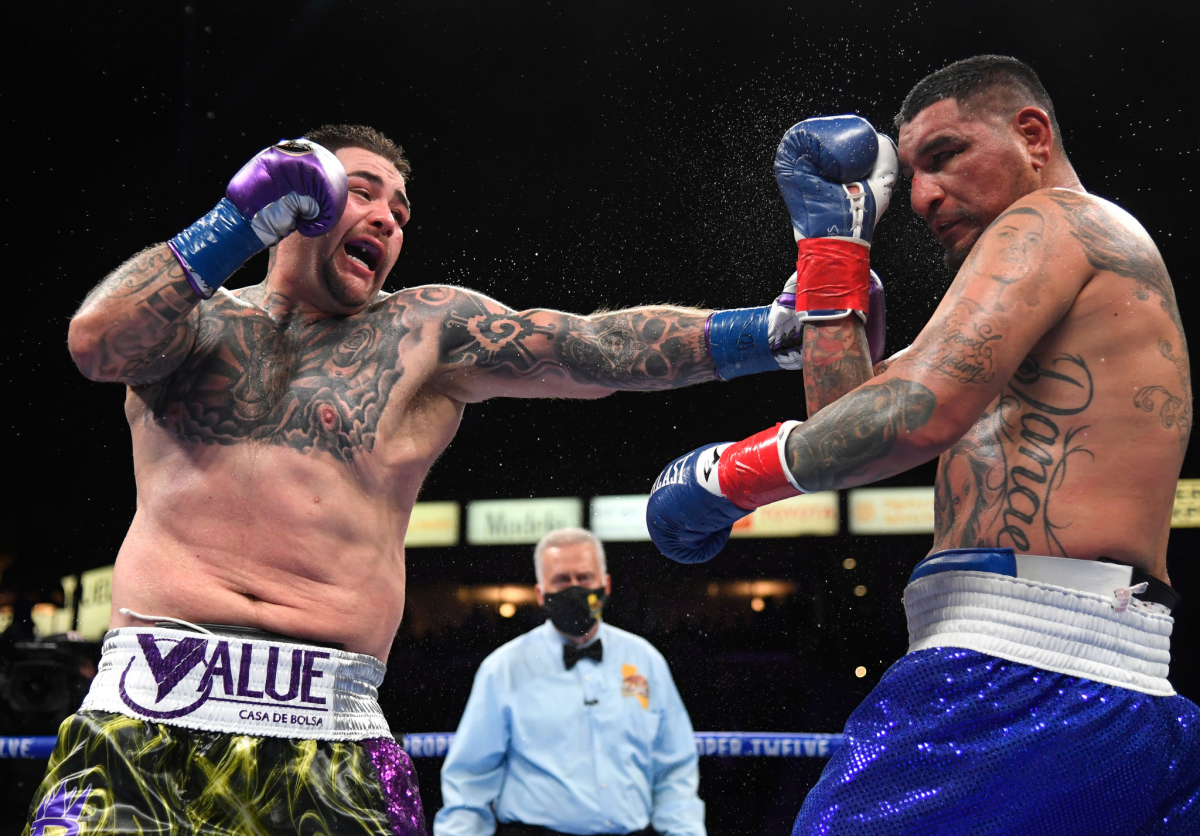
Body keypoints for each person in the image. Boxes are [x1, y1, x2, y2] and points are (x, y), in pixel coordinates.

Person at [22, 122, 839, 835]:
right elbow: (96, 343)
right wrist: (235, 220)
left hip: (328, 742)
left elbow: (593, 348)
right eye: (363, 193)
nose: (387, 217)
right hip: (142, 725)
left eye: (401, 211)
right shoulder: (189, 323)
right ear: (293, 201)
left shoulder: (423, 332)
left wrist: (766, 331)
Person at [644, 55, 1198, 835]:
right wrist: (830, 250)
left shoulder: (1054, 221)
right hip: (1104, 689)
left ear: (1031, 134)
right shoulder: (1038, 290)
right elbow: (849, 423)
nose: (927, 196)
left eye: (945, 156)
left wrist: (724, 478)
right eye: (911, 178)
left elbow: (915, 411)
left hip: (1017, 679)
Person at [435, 528, 704, 836]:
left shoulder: (645, 660)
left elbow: (674, 770)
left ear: (605, 584)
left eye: (584, 578)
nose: (575, 589)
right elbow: (470, 779)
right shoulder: (504, 668)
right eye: (562, 580)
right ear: (540, 594)